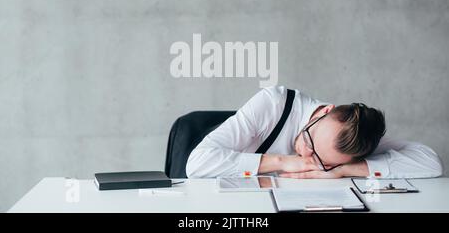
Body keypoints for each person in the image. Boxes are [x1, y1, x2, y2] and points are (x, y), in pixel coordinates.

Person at [186, 86, 443, 179]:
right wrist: (285, 162)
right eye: (309, 139)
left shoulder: (353, 141)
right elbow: (197, 164)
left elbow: (430, 162)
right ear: (323, 112)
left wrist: (345, 170)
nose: (306, 153)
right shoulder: (274, 103)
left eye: (322, 160)